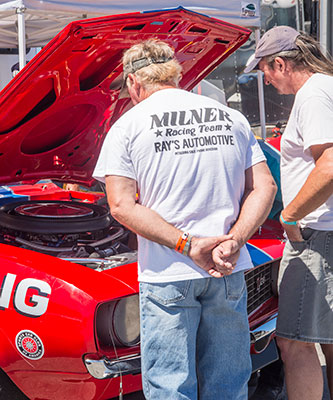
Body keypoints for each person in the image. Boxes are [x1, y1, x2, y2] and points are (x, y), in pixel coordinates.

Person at [93, 39, 277, 399]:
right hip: (227, 266)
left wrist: (187, 244)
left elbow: (120, 206)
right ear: (175, 74)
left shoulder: (128, 126)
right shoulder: (230, 117)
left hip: (168, 273)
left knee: (171, 387)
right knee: (228, 384)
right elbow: (265, 187)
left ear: (133, 82)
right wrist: (235, 240)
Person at [245, 25, 333, 400]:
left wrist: (291, 215)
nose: (265, 79)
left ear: (281, 63)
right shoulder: (327, 86)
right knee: (328, 339)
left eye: (265, 69)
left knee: (294, 343)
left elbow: (329, 164)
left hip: (317, 234)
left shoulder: (314, 94)